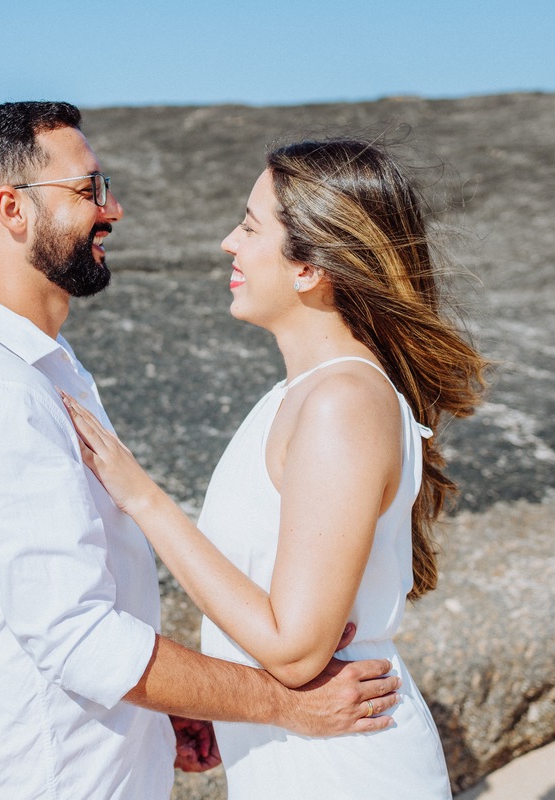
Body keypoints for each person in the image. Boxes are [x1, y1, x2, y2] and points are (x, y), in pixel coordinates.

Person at [0, 104, 403, 799]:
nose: (113, 209)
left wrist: (170, 713)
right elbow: (79, 638)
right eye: (89, 190)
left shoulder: (46, 371)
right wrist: (280, 703)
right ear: (12, 210)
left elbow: (65, 608)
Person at [63, 138, 487, 798]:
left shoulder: (342, 403)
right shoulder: (300, 395)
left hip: (343, 771)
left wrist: (144, 500)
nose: (228, 243)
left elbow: (295, 649)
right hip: (300, 756)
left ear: (310, 266)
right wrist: (218, 696)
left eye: (250, 227)